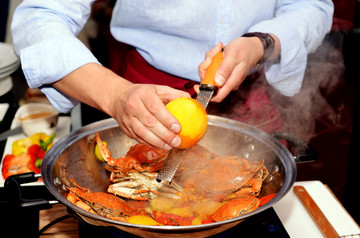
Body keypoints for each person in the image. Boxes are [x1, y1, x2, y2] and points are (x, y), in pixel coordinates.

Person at [11, 1, 334, 150]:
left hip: (256, 100)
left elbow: (312, 6)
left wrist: (262, 42)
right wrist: (116, 95)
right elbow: (41, 15)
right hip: (145, 101)